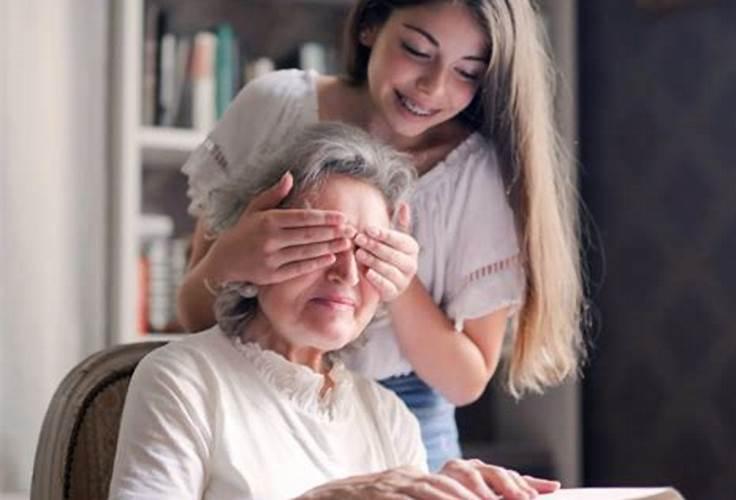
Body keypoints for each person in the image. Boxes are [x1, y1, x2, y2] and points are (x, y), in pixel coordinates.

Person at [177, 0, 585, 472]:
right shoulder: (273, 107)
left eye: (467, 73)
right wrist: (230, 260)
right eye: (416, 49)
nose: (433, 87)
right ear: (370, 26)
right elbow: (193, 315)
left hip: (407, 418)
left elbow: (465, 381)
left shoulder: (477, 178)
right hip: (256, 397)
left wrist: (398, 281)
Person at [108, 122, 561, 500]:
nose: (346, 273)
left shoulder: (390, 418)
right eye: (320, 245)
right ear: (260, 244)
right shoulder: (182, 380)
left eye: (369, 253)